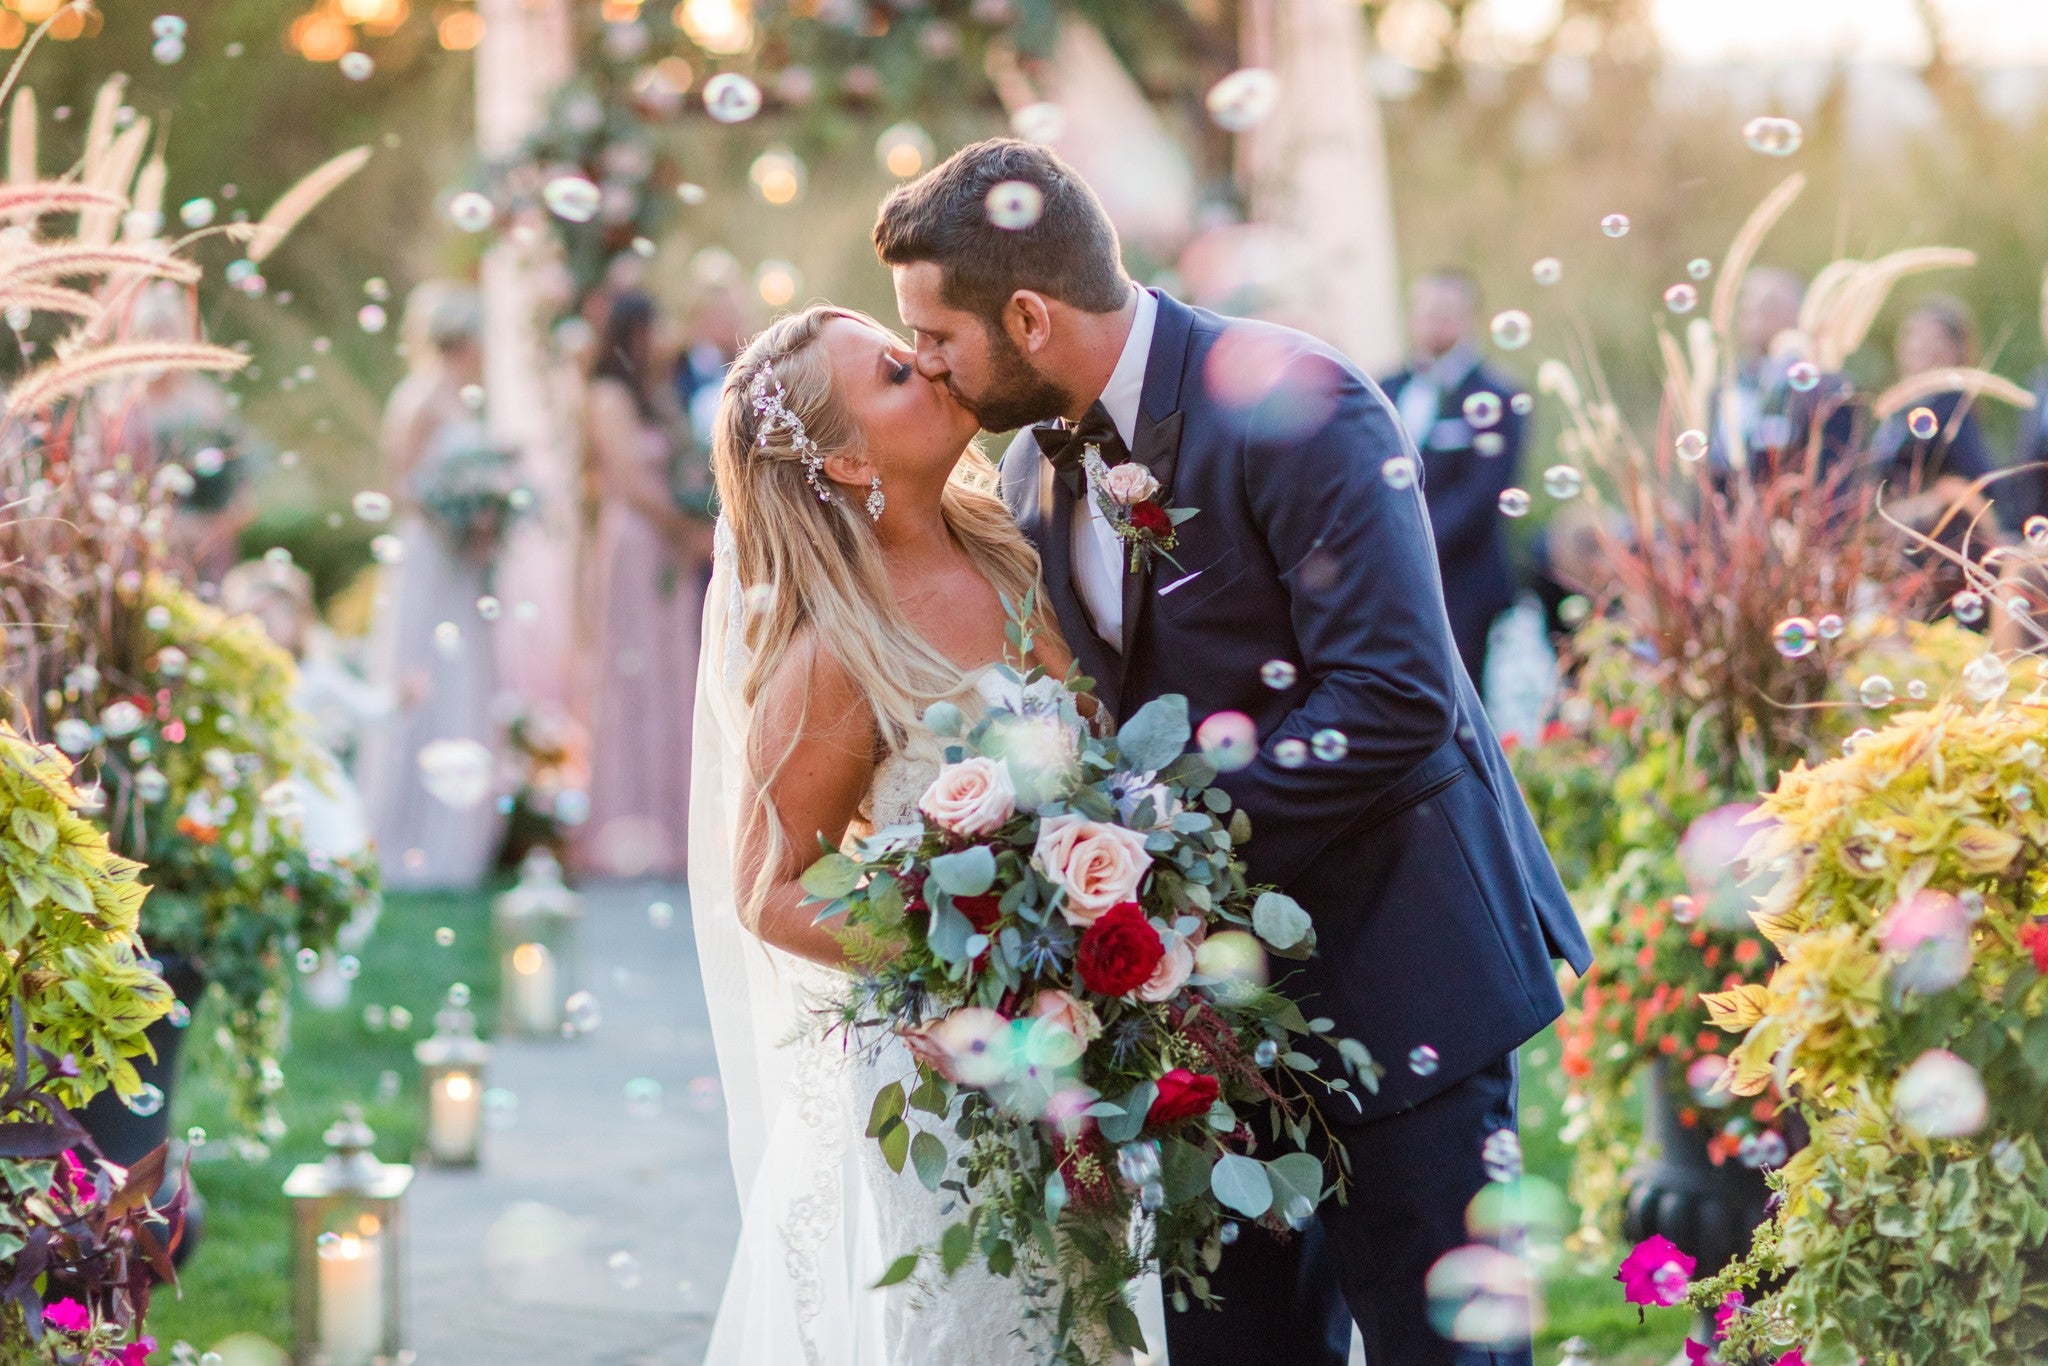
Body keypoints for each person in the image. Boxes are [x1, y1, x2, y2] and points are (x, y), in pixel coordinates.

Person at [876, 138, 1591, 1366]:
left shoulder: (1294, 404)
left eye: (937, 337)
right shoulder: (1028, 470)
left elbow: (1394, 694)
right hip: (1209, 1027)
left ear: (1031, 315)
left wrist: (1149, 838)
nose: (927, 365)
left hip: (1397, 974)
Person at [688, 307, 1103, 1362]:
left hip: (1103, 1037)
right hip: (960, 1069)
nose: (925, 359)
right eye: (889, 370)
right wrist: (968, 964)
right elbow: (768, 889)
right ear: (844, 453)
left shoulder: (1020, 543)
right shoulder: (836, 648)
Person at [354, 283, 506, 890]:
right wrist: (456, 515)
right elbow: (401, 487)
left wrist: (487, 518)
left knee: (460, 682)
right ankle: (402, 839)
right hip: (428, 558)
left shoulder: (462, 401)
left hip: (461, 566)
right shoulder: (416, 400)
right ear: (464, 341)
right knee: (422, 680)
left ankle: (455, 848)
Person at [577, 291, 714, 880]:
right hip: (638, 546)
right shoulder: (607, 394)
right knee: (637, 675)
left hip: (669, 549)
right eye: (655, 326)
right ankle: (632, 825)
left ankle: (679, 823)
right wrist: (689, 531)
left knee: (674, 674)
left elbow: (686, 462)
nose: (665, 338)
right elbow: (631, 483)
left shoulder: (656, 392)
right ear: (633, 331)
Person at [1378, 271, 1524, 690]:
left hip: (1464, 580)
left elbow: (1482, 494)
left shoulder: (1497, 394)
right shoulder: (1384, 387)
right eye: (1424, 312)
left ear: (1468, 320)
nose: (1432, 323)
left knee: (1464, 697)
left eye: (1444, 314)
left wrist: (1412, 543)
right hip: (1392, 578)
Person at [111, 280, 260, 592]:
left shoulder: (209, 406)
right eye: (151, 334)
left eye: (168, 333)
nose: (161, 344)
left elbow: (241, 488)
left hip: (208, 553)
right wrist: (165, 529)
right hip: (141, 556)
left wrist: (208, 528)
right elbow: (109, 492)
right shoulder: (118, 409)